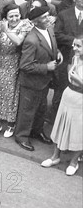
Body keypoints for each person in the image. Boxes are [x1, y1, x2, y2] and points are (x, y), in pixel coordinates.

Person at [14, 6, 63, 151]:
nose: (48, 19)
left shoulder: (49, 29)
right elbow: (25, 65)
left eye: (48, 15)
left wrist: (57, 52)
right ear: (35, 22)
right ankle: (21, 136)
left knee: (41, 108)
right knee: (27, 110)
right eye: (44, 17)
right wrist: (46, 67)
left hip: (44, 81)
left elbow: (51, 46)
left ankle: (37, 131)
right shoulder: (31, 39)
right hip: (31, 82)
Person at [0, 4, 33, 139]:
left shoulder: (24, 25)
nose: (14, 18)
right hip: (0, 61)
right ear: (6, 16)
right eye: (11, 16)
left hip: (15, 62)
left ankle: (11, 124)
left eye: (16, 15)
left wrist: (6, 30)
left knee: (12, 93)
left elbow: (18, 41)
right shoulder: (2, 24)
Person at [43, 35, 83, 175]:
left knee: (78, 130)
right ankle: (55, 157)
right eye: (74, 45)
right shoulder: (75, 58)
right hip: (68, 95)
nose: (74, 48)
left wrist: (78, 79)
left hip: (80, 100)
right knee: (61, 124)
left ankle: (74, 162)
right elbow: (69, 74)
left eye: (78, 46)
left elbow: (77, 79)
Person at [52, 0, 83, 117]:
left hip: (81, 62)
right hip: (65, 58)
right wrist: (73, 40)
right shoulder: (64, 15)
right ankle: (55, 119)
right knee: (60, 89)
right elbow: (57, 34)